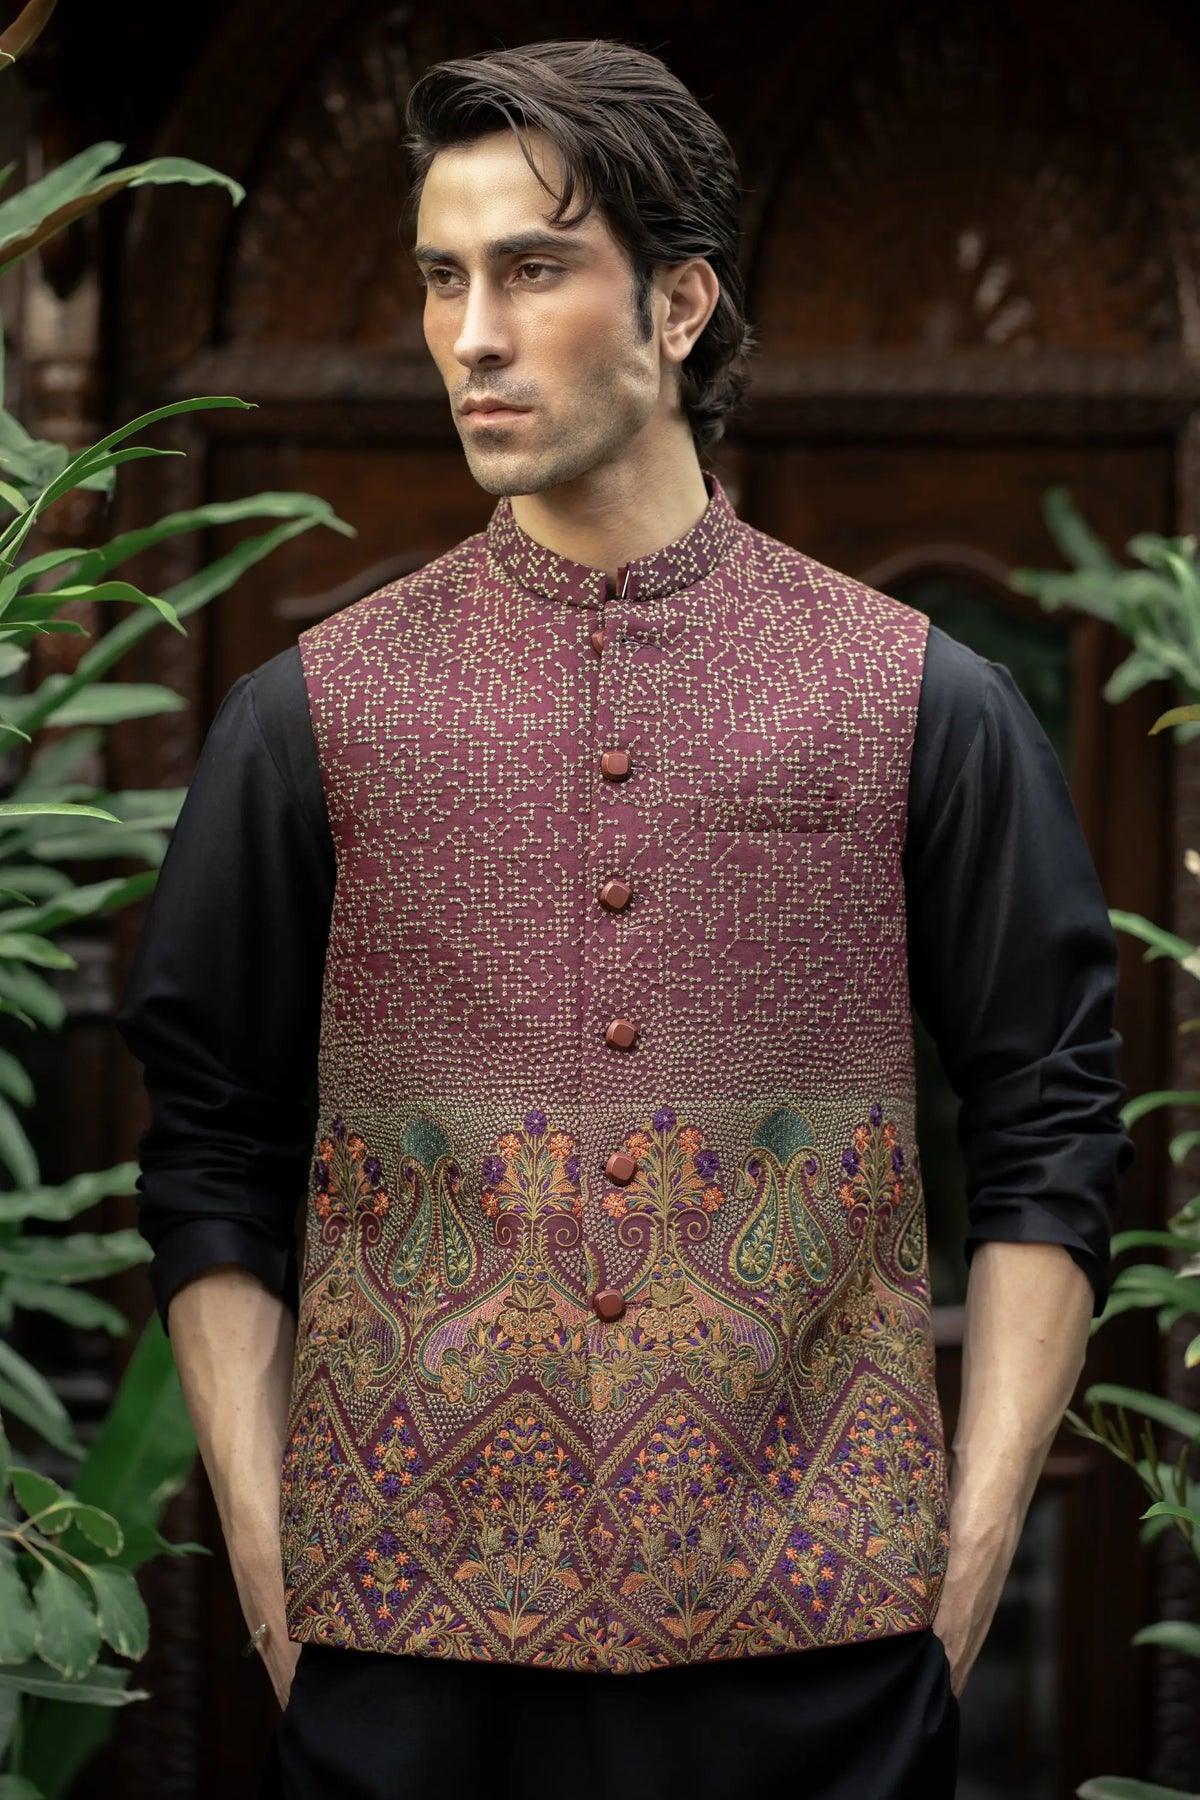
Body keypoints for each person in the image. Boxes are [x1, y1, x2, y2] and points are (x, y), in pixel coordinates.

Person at [115, 37, 1133, 1800]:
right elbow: (209, 1142)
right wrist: (280, 1593)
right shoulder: (309, 719)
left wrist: (959, 1580)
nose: (471, 335)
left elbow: (1051, 1121)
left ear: (679, 305)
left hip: (824, 1671)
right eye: (442, 276)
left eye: (531, 270)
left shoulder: (921, 701)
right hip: (403, 1681)